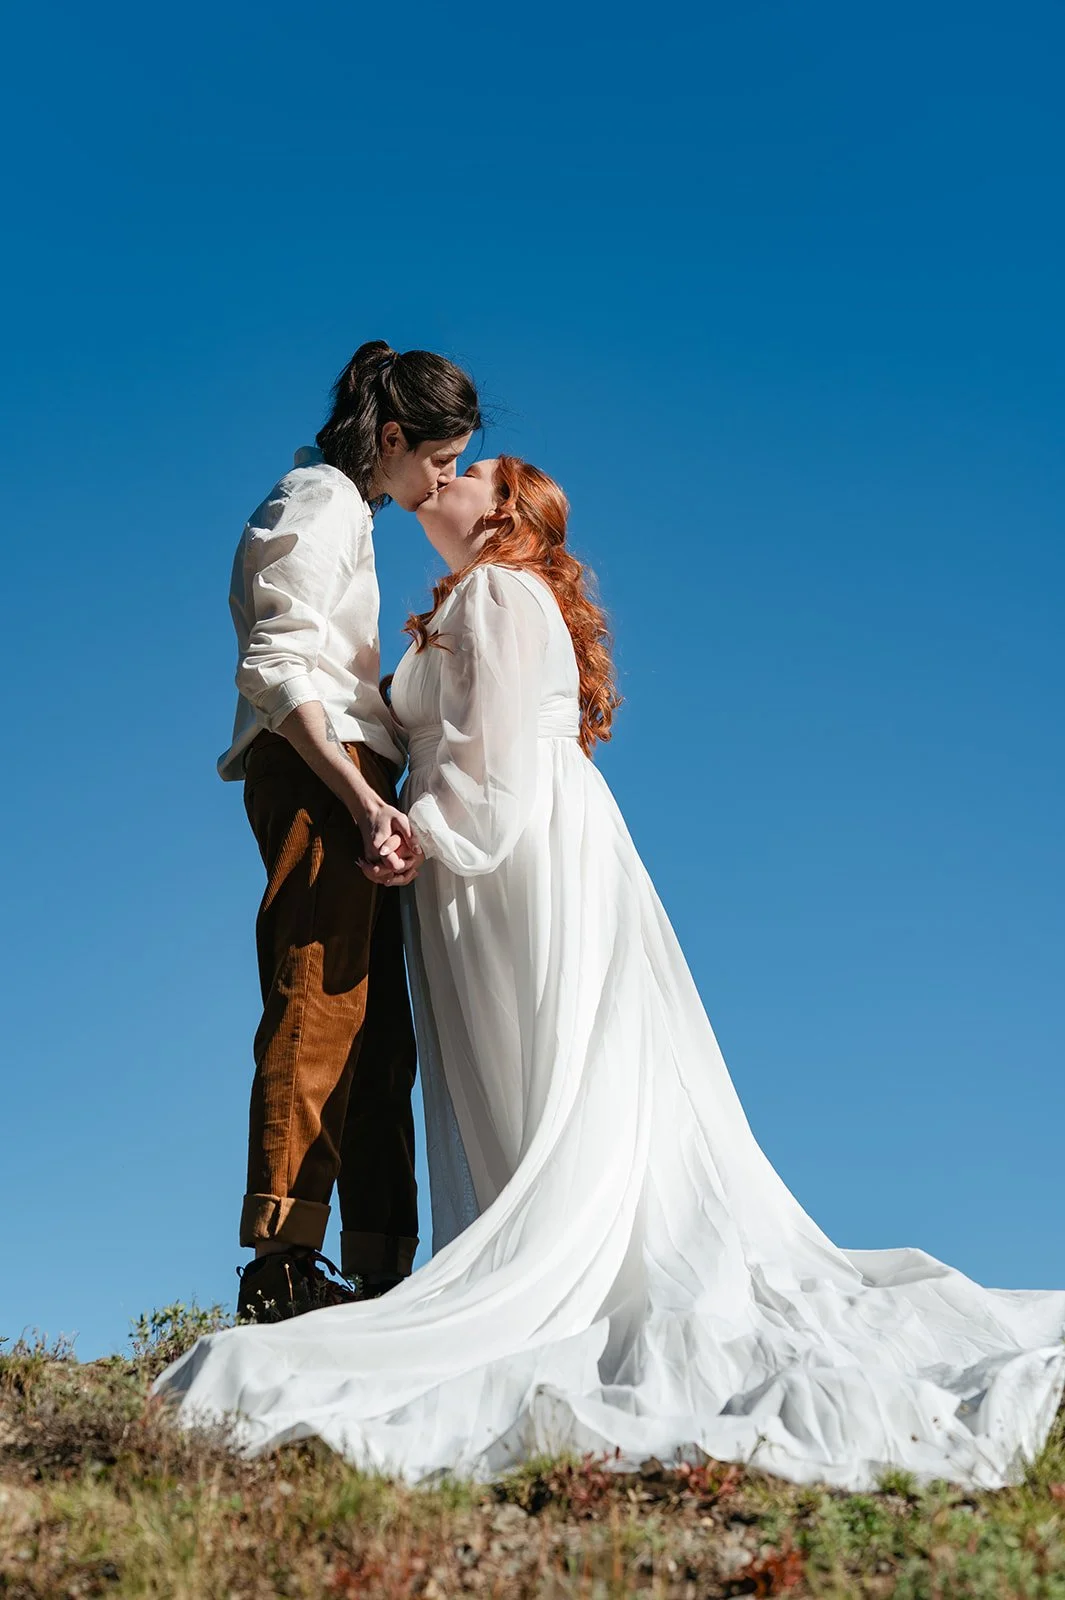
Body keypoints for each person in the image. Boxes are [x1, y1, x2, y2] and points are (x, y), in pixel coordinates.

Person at [160, 457, 1065, 1491]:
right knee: (543, 1065)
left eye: (469, 473)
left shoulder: (500, 591)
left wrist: (424, 837)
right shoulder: (481, 597)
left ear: (501, 513)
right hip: (505, 858)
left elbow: (491, 772)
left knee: (543, 1060)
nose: (445, 478)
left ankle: (542, 1266)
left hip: (505, 856)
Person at [219, 342, 478, 1322]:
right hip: (322, 771)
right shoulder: (319, 499)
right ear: (396, 437)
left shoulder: (352, 515)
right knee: (316, 994)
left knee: (375, 1025)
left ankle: (377, 1264)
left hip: (357, 774)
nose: (446, 483)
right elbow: (278, 668)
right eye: (442, 463)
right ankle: (280, 1262)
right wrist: (366, 800)